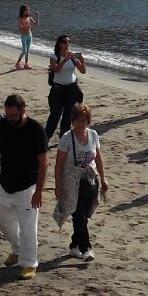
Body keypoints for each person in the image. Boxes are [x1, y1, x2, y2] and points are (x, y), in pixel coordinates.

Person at [0, 93, 47, 278]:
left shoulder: (36, 130)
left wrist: (39, 191)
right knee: (2, 221)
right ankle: (17, 248)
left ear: (23, 110)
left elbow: (44, 162)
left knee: (28, 226)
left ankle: (29, 263)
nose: (10, 118)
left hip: (27, 186)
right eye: (7, 114)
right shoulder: (3, 125)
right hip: (6, 182)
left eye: (13, 115)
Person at [53, 104, 107, 262]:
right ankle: (86, 248)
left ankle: (74, 246)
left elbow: (98, 157)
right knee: (78, 216)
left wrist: (103, 178)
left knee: (84, 215)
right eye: (77, 120)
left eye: (83, 120)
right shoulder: (67, 138)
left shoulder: (93, 135)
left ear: (88, 121)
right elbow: (59, 164)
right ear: (72, 121)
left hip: (90, 181)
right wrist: (58, 186)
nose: (80, 123)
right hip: (71, 182)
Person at [46, 34, 86, 140]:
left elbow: (83, 71)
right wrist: (65, 59)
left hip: (71, 89)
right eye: (65, 42)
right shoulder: (55, 56)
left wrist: (82, 60)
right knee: (55, 115)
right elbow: (56, 69)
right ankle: (46, 137)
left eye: (69, 42)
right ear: (59, 44)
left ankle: (63, 138)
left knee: (68, 115)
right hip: (57, 89)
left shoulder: (73, 57)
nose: (67, 44)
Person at [14, 5, 39, 71]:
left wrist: (37, 16)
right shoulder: (20, 18)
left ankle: (26, 64)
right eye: (26, 10)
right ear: (23, 11)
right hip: (24, 36)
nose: (28, 11)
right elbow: (20, 26)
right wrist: (20, 26)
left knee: (28, 51)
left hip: (29, 35)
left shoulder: (29, 18)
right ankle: (17, 63)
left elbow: (36, 24)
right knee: (24, 51)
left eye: (28, 10)